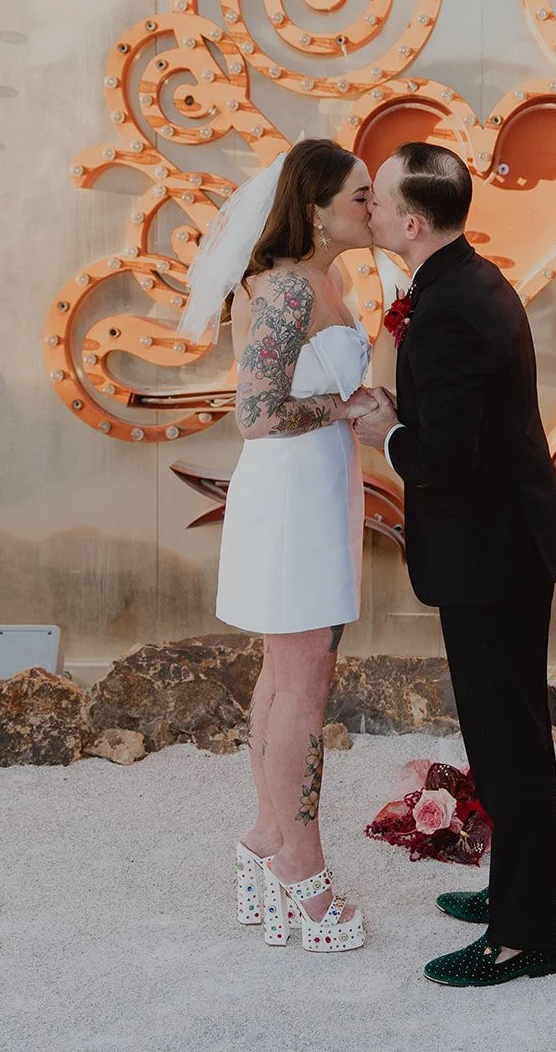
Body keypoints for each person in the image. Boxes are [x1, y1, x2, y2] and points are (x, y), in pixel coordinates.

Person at [356, 141, 556, 989]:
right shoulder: (467, 279)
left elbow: (445, 459)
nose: (369, 209)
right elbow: (465, 419)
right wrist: (406, 414)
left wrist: (387, 435)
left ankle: (524, 938)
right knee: (509, 733)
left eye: (378, 200)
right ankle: (520, 892)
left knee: (506, 740)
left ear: (413, 222)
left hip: (492, 554)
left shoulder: (448, 307)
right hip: (508, 539)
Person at [178, 139, 378, 954]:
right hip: (293, 497)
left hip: (317, 489)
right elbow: (256, 414)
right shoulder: (292, 286)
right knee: (303, 687)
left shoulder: (324, 281)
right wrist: (344, 409)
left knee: (285, 675)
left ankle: (266, 836)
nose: (372, 207)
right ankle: (302, 867)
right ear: (316, 209)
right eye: (360, 195)